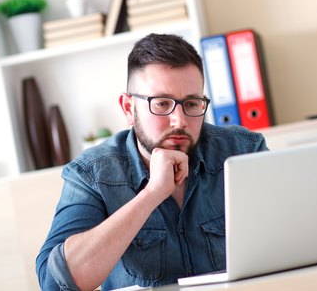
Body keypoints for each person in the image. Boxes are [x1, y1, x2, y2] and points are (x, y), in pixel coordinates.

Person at [36, 33, 268, 291]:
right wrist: (152, 194)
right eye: (162, 103)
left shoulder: (244, 151)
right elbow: (54, 284)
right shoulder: (91, 174)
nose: (179, 120)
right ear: (128, 108)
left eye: (191, 103)